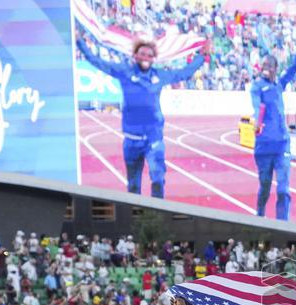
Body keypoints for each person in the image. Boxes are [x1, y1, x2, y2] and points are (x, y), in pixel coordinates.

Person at [76, 31, 212, 197]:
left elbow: (184, 73)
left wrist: (201, 56)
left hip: (153, 140)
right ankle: (135, 218)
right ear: (135, 55)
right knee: (133, 186)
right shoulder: (124, 71)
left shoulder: (159, 76)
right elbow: (96, 61)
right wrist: (79, 42)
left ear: (154, 58)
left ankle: (157, 214)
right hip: (131, 141)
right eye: (142, 54)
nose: (146, 57)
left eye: (149, 54)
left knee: (158, 180)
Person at [251, 25, 296, 220]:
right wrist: (257, 121)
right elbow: (257, 105)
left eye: (269, 66)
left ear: (275, 69)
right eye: (263, 65)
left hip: (282, 144)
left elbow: (295, 65)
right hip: (264, 146)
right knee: (265, 188)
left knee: (283, 189)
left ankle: (282, 226)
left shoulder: (280, 84)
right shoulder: (257, 87)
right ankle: (259, 215)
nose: (265, 69)